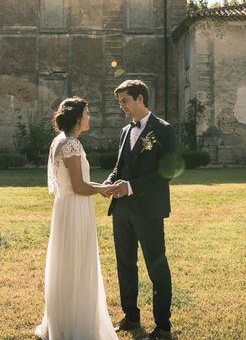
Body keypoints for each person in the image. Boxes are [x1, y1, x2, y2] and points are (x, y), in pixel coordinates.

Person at [35, 97, 119, 340]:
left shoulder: (59, 141)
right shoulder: (71, 145)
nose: (89, 117)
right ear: (77, 118)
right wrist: (103, 189)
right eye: (87, 113)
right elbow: (79, 187)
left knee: (68, 263)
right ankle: (76, 326)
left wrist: (100, 186)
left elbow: (77, 184)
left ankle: (64, 320)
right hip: (74, 208)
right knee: (77, 263)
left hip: (67, 207)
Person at [103, 80, 177, 340]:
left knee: (156, 266)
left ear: (140, 99)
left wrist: (131, 186)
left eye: (124, 101)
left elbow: (166, 173)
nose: (121, 106)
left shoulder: (164, 130)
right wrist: (110, 183)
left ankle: (163, 326)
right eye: (120, 101)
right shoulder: (125, 131)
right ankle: (131, 316)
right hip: (122, 209)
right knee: (125, 263)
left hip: (149, 209)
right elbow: (119, 166)